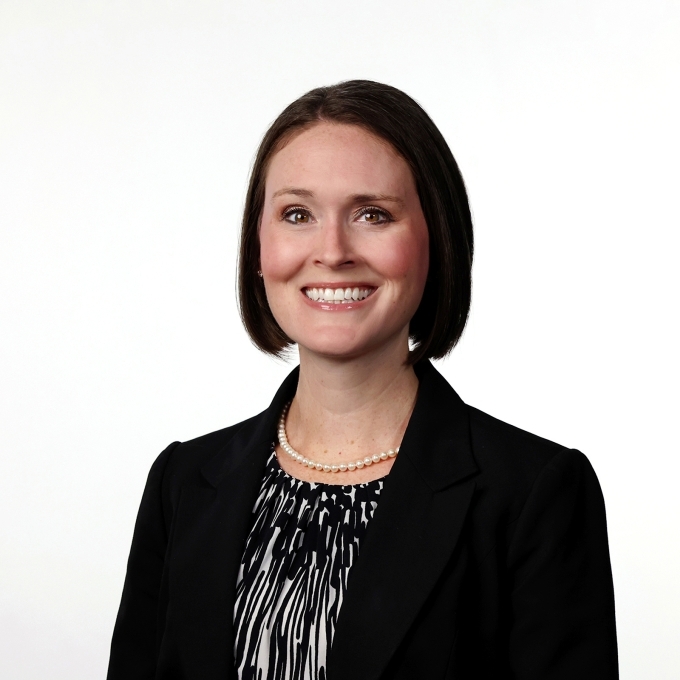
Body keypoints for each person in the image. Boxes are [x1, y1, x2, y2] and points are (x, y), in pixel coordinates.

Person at [107, 80, 618, 680]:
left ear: (436, 239)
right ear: (259, 245)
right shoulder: (183, 482)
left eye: (372, 214)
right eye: (297, 214)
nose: (332, 250)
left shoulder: (535, 494)